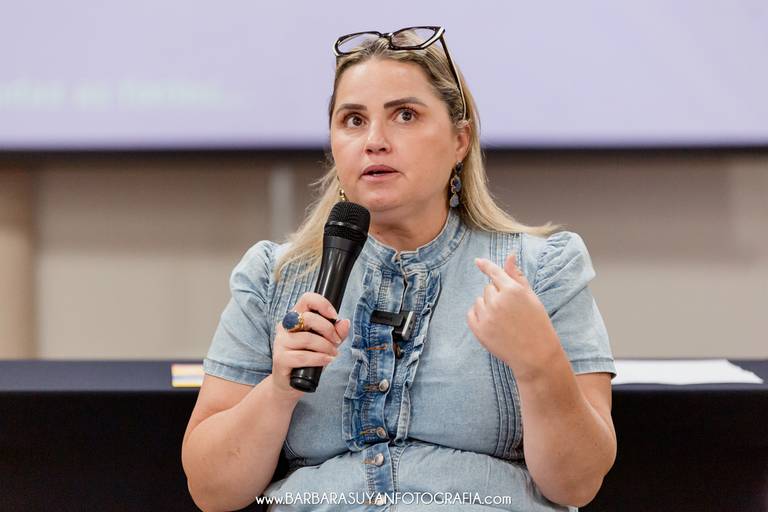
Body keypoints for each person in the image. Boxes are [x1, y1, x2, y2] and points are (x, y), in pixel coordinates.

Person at [182, 26, 617, 512]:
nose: (374, 141)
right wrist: (278, 389)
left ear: (460, 140)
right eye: (353, 120)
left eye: (405, 115)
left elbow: (577, 484)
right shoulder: (273, 277)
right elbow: (212, 490)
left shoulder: (541, 270)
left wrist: (540, 364)